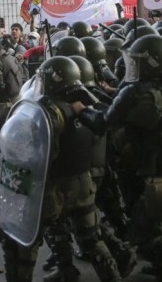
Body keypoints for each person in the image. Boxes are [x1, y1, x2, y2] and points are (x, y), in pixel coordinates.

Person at [0, 56, 122, 282]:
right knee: (91, 240)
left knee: (22, 243)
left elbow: (24, 150)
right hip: (83, 185)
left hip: (52, 188)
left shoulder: (48, 113)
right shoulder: (86, 107)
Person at [71, 35, 162, 281]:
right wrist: (111, 93)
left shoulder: (134, 92)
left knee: (141, 234)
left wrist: (82, 110)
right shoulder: (151, 89)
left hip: (153, 172)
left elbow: (103, 123)